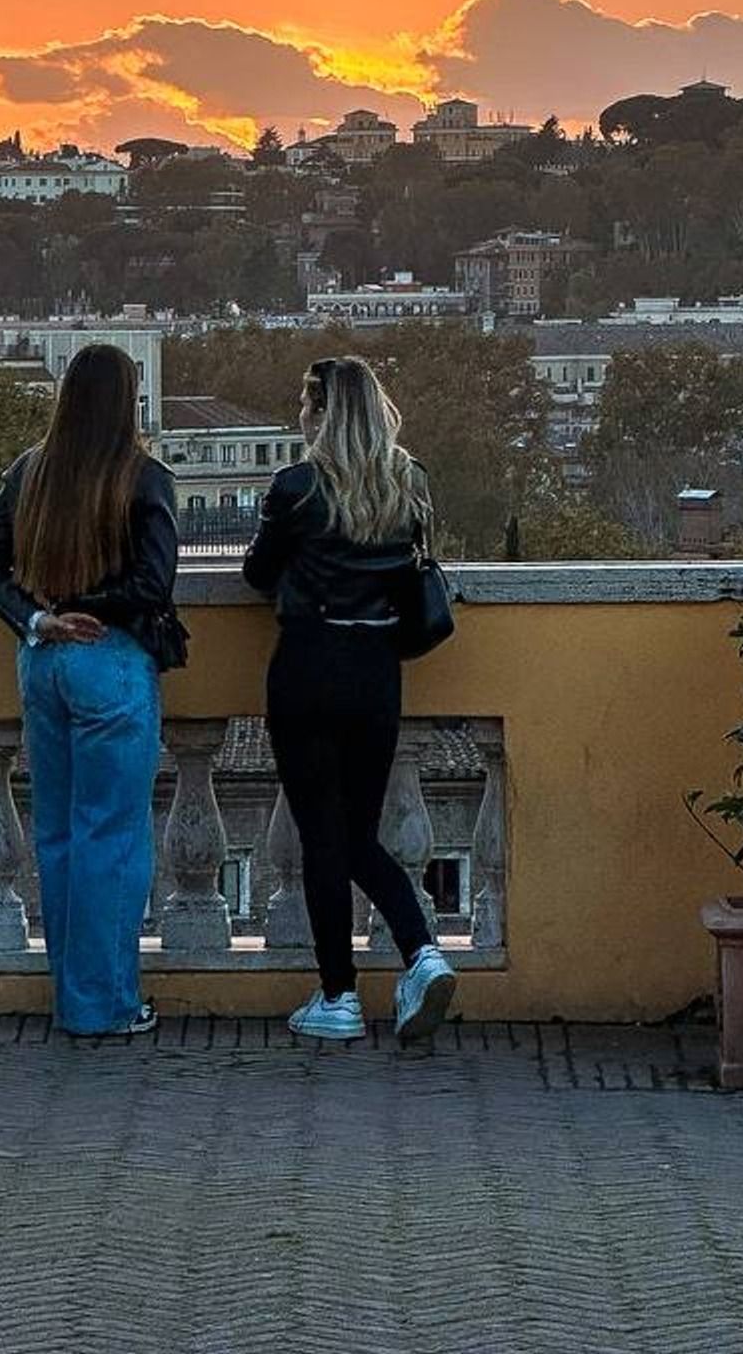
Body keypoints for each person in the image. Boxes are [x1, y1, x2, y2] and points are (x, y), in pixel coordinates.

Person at [0, 344, 186, 1038]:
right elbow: (154, 584)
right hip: (109, 660)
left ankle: (73, 995)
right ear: (128, 402)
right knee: (112, 839)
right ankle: (107, 1004)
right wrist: (93, 605)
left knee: (59, 834)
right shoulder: (142, 478)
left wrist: (40, 617)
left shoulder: (30, 472)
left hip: (43, 660)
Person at [242, 354, 459, 1044]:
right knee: (359, 835)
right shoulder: (410, 483)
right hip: (377, 671)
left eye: (305, 406)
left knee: (321, 836)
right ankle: (421, 951)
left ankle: (338, 994)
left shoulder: (298, 488)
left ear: (320, 413)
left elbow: (258, 573)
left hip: (309, 665)